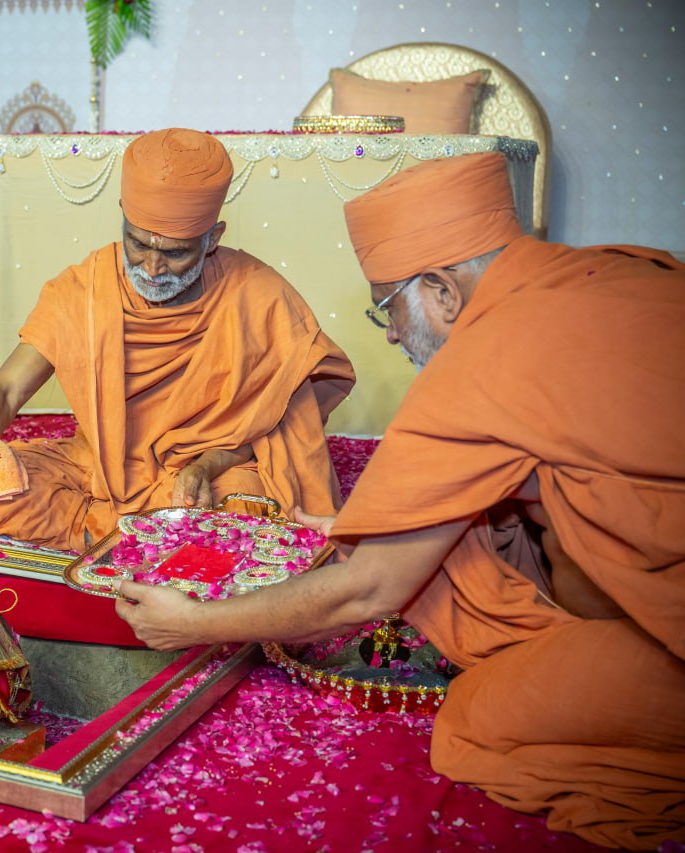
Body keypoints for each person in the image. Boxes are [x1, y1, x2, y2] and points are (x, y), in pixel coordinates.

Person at [114, 152, 685, 849]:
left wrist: (195, 622)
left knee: (480, 720)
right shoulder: (623, 271)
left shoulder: (483, 361)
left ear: (442, 290)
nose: (387, 332)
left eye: (386, 305)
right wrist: (373, 524)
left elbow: (367, 592)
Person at [0, 128, 355, 551]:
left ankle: (104, 532)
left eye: (175, 253)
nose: (152, 268)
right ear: (123, 216)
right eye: (137, 244)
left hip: (202, 478)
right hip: (98, 465)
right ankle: (137, 535)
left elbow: (268, 428)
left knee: (243, 506)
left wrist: (205, 467)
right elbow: (6, 390)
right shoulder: (84, 290)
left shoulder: (261, 298)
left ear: (213, 239)